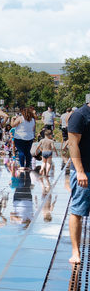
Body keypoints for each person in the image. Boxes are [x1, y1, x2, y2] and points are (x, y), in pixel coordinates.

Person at [68, 101, 90, 266]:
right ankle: (76, 251)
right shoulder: (80, 115)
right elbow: (73, 144)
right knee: (78, 210)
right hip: (84, 171)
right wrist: (80, 171)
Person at [11, 106, 37, 172]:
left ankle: (22, 166)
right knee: (28, 152)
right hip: (29, 137)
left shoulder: (20, 118)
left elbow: (12, 125)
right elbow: (33, 129)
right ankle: (28, 166)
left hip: (19, 137)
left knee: (21, 151)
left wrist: (12, 119)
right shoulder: (33, 120)